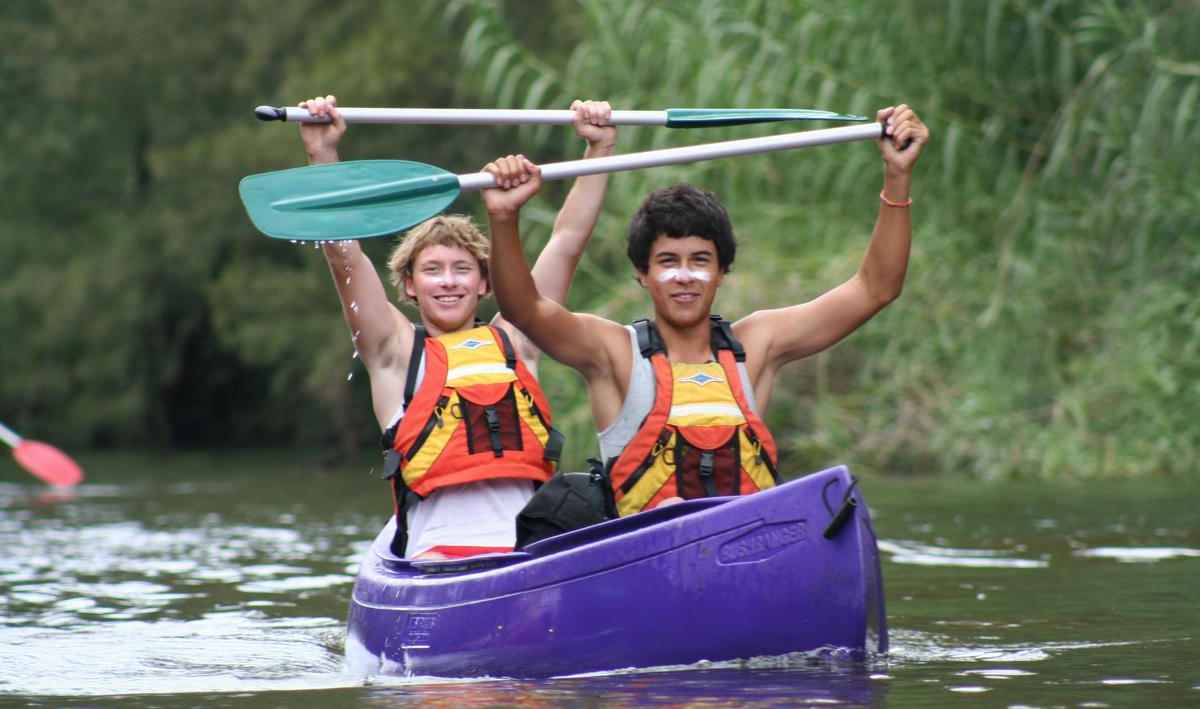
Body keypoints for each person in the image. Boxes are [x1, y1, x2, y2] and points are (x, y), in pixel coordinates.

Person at [481, 105, 929, 515]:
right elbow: (525, 309)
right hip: (647, 559)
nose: (684, 277)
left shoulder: (760, 343)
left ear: (721, 273)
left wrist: (897, 175)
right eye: (667, 262)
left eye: (700, 261)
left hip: (742, 550)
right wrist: (505, 220)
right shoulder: (612, 352)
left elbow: (876, 288)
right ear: (643, 273)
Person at [298, 94, 617, 558]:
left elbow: (566, 242)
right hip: (438, 561)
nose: (448, 282)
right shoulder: (394, 352)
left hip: (528, 557)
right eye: (432, 270)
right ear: (408, 285)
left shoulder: (519, 340)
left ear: (486, 282)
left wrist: (598, 149)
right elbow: (342, 254)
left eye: (462, 269)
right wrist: (322, 155)